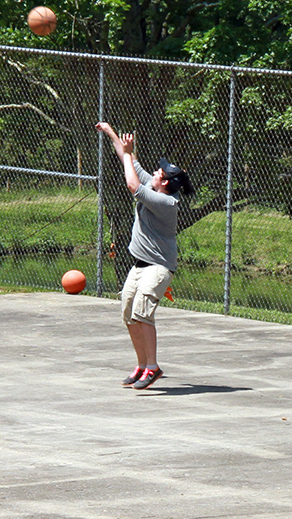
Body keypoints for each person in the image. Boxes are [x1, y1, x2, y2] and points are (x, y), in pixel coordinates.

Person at [95, 122, 194, 390]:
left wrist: (129, 154)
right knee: (128, 314)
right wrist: (112, 134)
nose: (152, 171)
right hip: (139, 265)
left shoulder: (166, 202)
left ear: (164, 182)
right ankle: (141, 366)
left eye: (158, 172)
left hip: (159, 267)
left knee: (142, 314)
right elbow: (128, 160)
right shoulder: (154, 189)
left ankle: (153, 367)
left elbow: (131, 184)